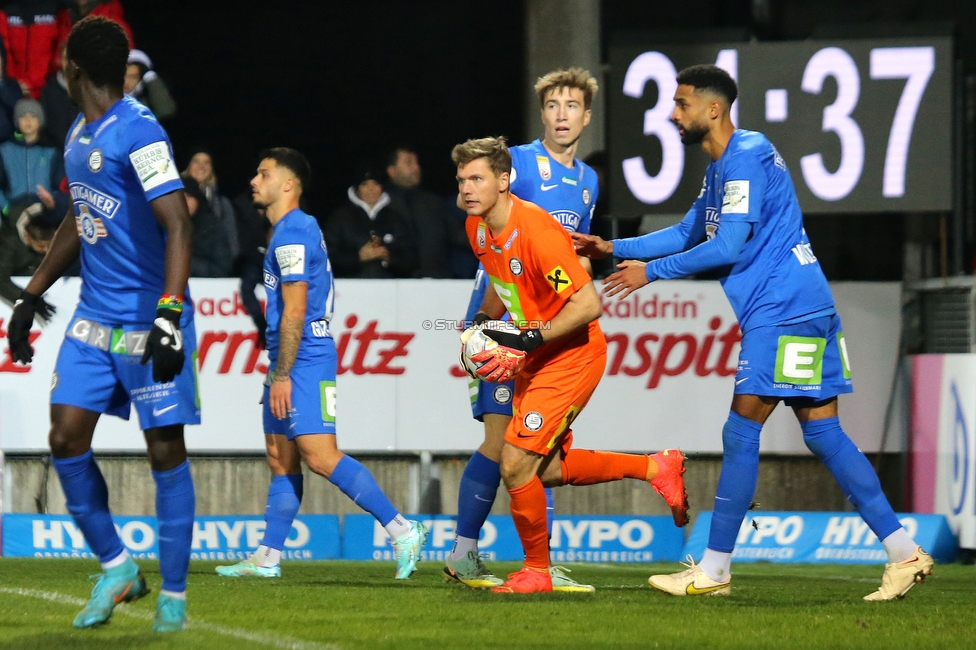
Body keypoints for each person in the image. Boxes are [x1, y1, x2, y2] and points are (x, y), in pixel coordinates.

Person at [572, 64, 932, 601]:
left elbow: (728, 247)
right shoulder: (724, 165)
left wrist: (652, 273)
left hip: (782, 309)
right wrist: (614, 248)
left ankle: (714, 571)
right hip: (802, 304)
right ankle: (905, 553)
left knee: (740, 432)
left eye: (682, 103)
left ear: (712, 109)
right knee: (823, 433)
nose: (673, 114)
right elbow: (693, 229)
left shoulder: (745, 156)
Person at [5, 16, 198, 631]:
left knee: (164, 451)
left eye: (62, 61)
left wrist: (169, 315)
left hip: (148, 316)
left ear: (74, 69)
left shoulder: (139, 131)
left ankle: (173, 597)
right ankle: (117, 568)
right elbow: (78, 220)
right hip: (94, 315)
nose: (58, 69)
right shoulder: (77, 132)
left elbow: (178, 224)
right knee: (65, 439)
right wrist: (32, 296)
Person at [452, 136, 688, 594]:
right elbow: (500, 281)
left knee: (515, 461)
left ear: (504, 181)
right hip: (535, 357)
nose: (467, 187)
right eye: (462, 179)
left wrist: (528, 337)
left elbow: (587, 304)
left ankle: (536, 572)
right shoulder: (477, 228)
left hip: (572, 354)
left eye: (477, 178)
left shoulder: (537, 230)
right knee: (548, 470)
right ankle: (656, 468)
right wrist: (481, 324)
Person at [214, 148, 429, 580]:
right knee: (280, 457)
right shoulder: (288, 231)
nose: (254, 181)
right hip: (288, 355)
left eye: (264, 173)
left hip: (304, 356)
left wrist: (283, 374)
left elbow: (295, 310)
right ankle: (268, 557)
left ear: (288, 185)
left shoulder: (293, 233)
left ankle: (402, 529)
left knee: (319, 455)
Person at [445, 68, 603, 592]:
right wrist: (488, 328)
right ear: (541, 114)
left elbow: (551, 259)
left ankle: (534, 561)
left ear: (586, 115)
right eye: (552, 104)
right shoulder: (523, 165)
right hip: (504, 320)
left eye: (572, 105)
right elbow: (502, 248)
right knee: (503, 442)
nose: (562, 114)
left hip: (543, 324)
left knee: (533, 445)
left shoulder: (588, 180)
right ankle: (469, 552)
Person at [321, 163, 418, 278]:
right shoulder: (340, 218)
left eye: (376, 184)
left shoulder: (395, 219)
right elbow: (325, 257)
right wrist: (358, 257)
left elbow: (412, 259)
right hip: (350, 289)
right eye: (365, 184)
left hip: (389, 289)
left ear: (382, 187)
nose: (371, 189)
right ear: (357, 189)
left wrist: (388, 257)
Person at [385, 145, 463, 278]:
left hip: (437, 281)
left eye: (416, 162)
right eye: (408, 162)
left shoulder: (432, 202)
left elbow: (458, 234)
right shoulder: (382, 205)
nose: (416, 168)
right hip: (395, 284)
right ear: (392, 171)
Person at [0, 98, 65, 218]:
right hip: (14, 209)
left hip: (43, 209)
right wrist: (6, 208)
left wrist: (52, 202)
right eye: (23, 116)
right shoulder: (5, 150)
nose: (28, 120)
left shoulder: (52, 150)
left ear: (40, 121)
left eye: (33, 116)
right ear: (17, 121)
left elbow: (61, 185)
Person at [180, 173, 232, 277]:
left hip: (204, 290)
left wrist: (183, 263)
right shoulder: (159, 227)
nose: (185, 202)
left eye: (189, 196)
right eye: (181, 197)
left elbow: (222, 268)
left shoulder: (212, 228)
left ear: (198, 200)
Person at [123, 49, 177, 122]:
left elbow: (166, 110)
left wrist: (151, 78)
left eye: (133, 77)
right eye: (123, 76)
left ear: (141, 78)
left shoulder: (145, 102)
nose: (126, 82)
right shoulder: (108, 99)